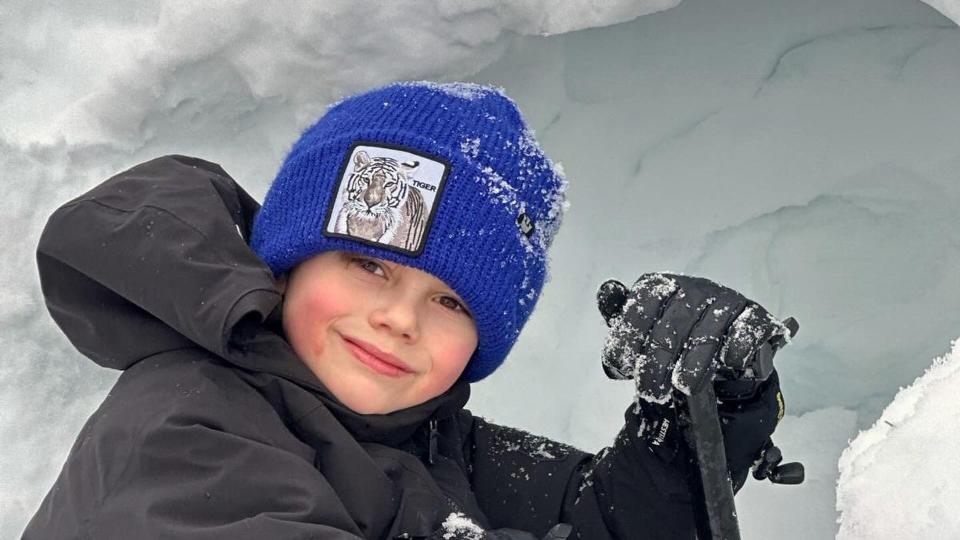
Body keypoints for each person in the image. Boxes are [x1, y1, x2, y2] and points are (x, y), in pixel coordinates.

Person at [23, 81, 789, 539]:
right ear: (285, 264)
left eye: (450, 299)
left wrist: (698, 418)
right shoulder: (185, 432)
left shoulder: (422, 442)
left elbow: (608, 522)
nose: (399, 318)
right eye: (368, 264)